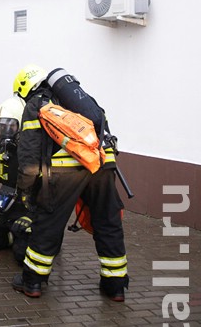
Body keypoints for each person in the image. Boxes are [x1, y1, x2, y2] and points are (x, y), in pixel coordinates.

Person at [10, 65, 128, 301]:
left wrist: (27, 188)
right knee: (108, 222)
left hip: (65, 172)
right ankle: (115, 286)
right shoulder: (80, 98)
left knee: (47, 224)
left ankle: (32, 281)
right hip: (103, 166)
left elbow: (30, 155)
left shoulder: (37, 104)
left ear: (25, 89)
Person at [0, 95, 33, 262]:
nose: (5, 131)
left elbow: (50, 190)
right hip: (5, 206)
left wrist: (32, 215)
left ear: (21, 125)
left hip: (28, 209)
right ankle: (10, 237)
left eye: (10, 125)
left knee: (22, 255)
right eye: (2, 125)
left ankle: (39, 238)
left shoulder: (32, 149)